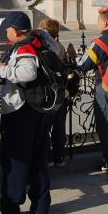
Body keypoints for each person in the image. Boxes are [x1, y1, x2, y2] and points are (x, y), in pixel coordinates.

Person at [0, 11, 51, 214]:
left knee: (16, 160)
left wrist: (2, 68)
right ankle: (41, 203)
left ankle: (11, 206)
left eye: (7, 28)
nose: (5, 32)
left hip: (21, 109)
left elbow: (28, 73)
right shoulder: (39, 42)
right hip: (37, 108)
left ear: (16, 31)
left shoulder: (25, 48)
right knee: (38, 157)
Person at [76, 7, 108, 173]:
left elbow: (83, 65)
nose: (97, 24)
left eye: (98, 21)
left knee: (106, 125)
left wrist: (73, 56)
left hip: (104, 86)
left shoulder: (98, 43)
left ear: (105, 23)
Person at [37, 18, 68, 167]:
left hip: (48, 92)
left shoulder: (43, 48)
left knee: (45, 127)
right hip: (61, 91)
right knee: (59, 126)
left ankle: (47, 157)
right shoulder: (60, 47)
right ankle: (59, 157)